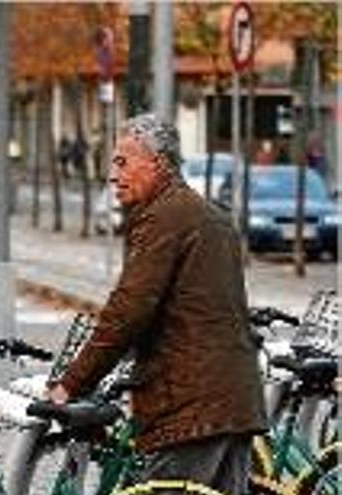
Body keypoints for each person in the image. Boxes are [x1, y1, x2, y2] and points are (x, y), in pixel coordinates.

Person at [46, 114, 266, 495]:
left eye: (122, 161)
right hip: (234, 399)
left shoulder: (164, 217)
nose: (113, 175)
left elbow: (129, 310)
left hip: (190, 406)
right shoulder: (209, 215)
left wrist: (71, 383)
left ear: (159, 163)